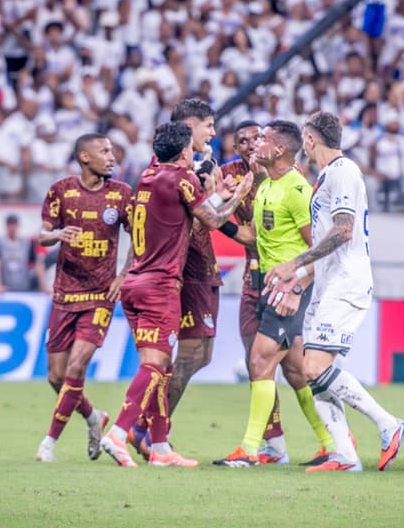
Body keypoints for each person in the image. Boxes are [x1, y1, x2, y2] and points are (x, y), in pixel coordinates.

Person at [99, 121, 253, 468]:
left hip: (135, 285)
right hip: (160, 287)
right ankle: (119, 434)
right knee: (155, 366)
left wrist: (218, 195)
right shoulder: (180, 177)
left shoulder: (147, 179)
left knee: (162, 368)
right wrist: (240, 194)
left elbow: (185, 213)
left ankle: (161, 447)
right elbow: (211, 221)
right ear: (185, 150)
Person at [266, 112, 404, 473]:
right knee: (307, 367)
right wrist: (299, 279)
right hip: (328, 283)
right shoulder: (328, 177)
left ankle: (388, 424)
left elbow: (343, 232)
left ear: (310, 140)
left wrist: (294, 263)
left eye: (305, 141)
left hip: (347, 282)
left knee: (314, 366)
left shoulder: (343, 171)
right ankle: (344, 454)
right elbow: (327, 241)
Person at [213, 120, 337, 468]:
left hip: (288, 290)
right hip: (270, 286)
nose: (256, 145)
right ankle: (333, 441)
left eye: (263, 139)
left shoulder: (297, 191)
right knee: (297, 372)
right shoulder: (268, 186)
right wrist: (217, 216)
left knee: (259, 361)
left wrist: (297, 284)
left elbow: (321, 248)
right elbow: (255, 235)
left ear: (280, 149)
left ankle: (250, 449)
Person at [126, 98, 223, 457]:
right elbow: (150, 228)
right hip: (180, 272)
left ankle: (148, 429)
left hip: (195, 268)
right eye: (207, 125)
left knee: (201, 355)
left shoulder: (184, 167)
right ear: (188, 128)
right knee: (182, 355)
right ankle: (143, 428)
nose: (212, 132)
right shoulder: (171, 172)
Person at [35, 133, 134, 464]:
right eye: (103, 151)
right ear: (84, 157)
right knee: (56, 377)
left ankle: (48, 443)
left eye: (111, 150)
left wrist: (123, 275)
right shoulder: (61, 190)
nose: (111, 156)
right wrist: (57, 234)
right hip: (65, 293)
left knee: (77, 366)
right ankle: (94, 418)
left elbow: (139, 238)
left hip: (101, 295)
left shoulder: (121, 194)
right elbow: (42, 235)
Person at [0, 214, 49, 294]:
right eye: (10, 225)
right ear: (6, 226)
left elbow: (37, 265)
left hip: (24, 286)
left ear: (18, 226)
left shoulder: (27, 244)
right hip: (5, 288)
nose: (12, 228)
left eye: (14, 225)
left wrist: (44, 286)